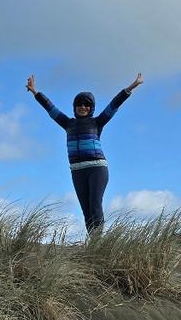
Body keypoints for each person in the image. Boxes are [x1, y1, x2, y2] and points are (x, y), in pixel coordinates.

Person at [27, 73, 144, 233]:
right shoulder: (67, 123)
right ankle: (93, 244)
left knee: (95, 205)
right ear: (75, 107)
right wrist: (35, 92)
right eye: (79, 104)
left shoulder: (97, 122)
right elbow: (50, 108)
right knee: (86, 210)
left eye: (87, 105)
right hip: (77, 171)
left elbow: (113, 105)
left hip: (97, 169)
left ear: (91, 108)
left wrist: (130, 88)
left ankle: (98, 242)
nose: (83, 107)